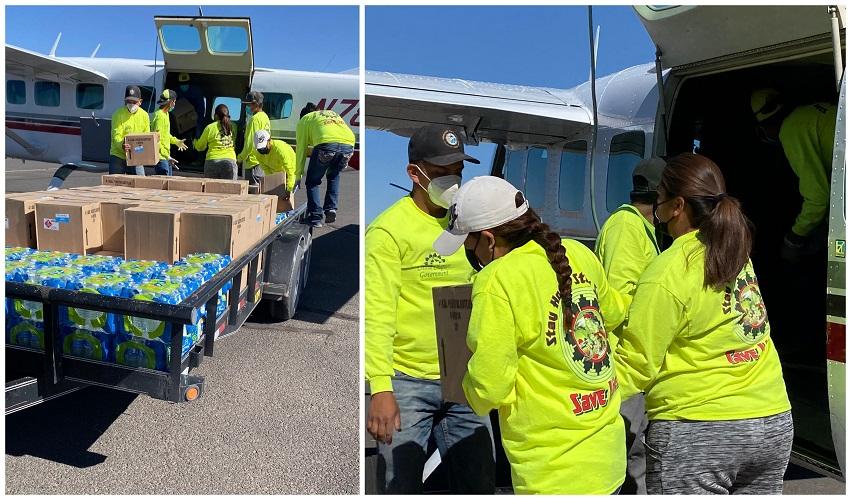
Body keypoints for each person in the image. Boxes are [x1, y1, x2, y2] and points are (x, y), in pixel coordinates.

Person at [432, 176, 627, 494]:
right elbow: (615, 312)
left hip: (552, 472)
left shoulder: (498, 279)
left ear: (488, 239)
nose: (471, 255)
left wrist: (461, 383)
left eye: (469, 245)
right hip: (608, 459)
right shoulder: (577, 253)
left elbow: (489, 387)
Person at [615, 153, 793, 495]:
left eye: (660, 199)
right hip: (771, 420)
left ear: (677, 205)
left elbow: (637, 364)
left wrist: (578, 394)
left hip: (698, 429)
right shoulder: (736, 253)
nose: (657, 209)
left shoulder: (667, 271)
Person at [365, 125, 495, 494]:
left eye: (457, 172)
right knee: (399, 485)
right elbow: (378, 312)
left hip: (464, 378)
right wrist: (381, 388)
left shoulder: (470, 225)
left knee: (478, 483)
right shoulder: (389, 231)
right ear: (414, 173)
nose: (452, 182)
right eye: (441, 174)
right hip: (408, 380)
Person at [593, 157, 666, 494]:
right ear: (661, 193)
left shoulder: (642, 227)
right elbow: (619, 298)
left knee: (639, 450)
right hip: (626, 357)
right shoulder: (626, 227)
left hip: (639, 357)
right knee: (627, 447)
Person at [751, 88, 837, 261]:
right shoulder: (811, 113)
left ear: (766, 125)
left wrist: (793, 239)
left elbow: (818, 198)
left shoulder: (790, 130)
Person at [295, 103, 356, 227]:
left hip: (326, 144)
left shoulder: (304, 120)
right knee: (333, 175)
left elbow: (301, 150)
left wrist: (298, 175)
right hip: (349, 144)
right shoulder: (330, 114)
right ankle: (331, 209)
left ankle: (316, 217)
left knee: (313, 181)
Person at [109, 85, 150, 175]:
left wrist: (137, 149)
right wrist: (122, 145)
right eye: (128, 101)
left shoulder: (145, 115)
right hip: (118, 155)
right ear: (124, 101)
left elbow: (146, 138)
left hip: (136, 156)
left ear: (140, 102)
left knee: (140, 183)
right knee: (114, 185)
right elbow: (116, 135)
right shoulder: (117, 114)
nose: (131, 104)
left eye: (134, 101)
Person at [194, 103, 238, 180]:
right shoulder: (233, 126)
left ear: (216, 116)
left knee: (211, 191)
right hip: (230, 162)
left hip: (212, 162)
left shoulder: (210, 127)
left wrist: (194, 142)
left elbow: (200, 147)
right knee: (231, 190)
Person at [149, 89, 188, 176]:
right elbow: (156, 139)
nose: (174, 104)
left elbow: (165, 135)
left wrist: (176, 141)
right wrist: (167, 156)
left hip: (165, 157)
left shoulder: (165, 114)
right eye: (174, 101)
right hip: (161, 157)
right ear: (171, 102)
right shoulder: (160, 116)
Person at [237, 91, 271, 188]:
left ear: (255, 104)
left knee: (252, 194)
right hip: (262, 160)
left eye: (248, 104)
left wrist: (240, 159)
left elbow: (250, 143)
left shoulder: (254, 119)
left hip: (252, 162)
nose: (247, 107)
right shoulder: (265, 117)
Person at [176, 72, 206, 137]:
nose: (184, 85)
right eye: (182, 83)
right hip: (180, 120)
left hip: (195, 120)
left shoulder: (196, 91)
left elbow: (201, 108)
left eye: (186, 83)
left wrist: (196, 116)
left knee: (196, 135)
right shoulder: (176, 91)